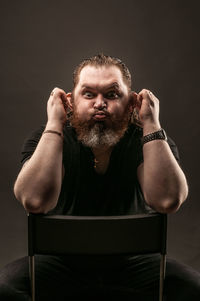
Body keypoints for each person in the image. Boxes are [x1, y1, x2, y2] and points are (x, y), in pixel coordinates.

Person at [0, 53, 199, 300]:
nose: (99, 103)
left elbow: (168, 200)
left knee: (193, 290)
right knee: (5, 289)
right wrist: (54, 123)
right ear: (71, 102)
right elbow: (34, 200)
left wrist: (151, 124)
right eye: (89, 94)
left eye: (112, 94)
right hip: (59, 263)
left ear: (132, 102)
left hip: (135, 263)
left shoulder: (149, 139)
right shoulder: (47, 138)